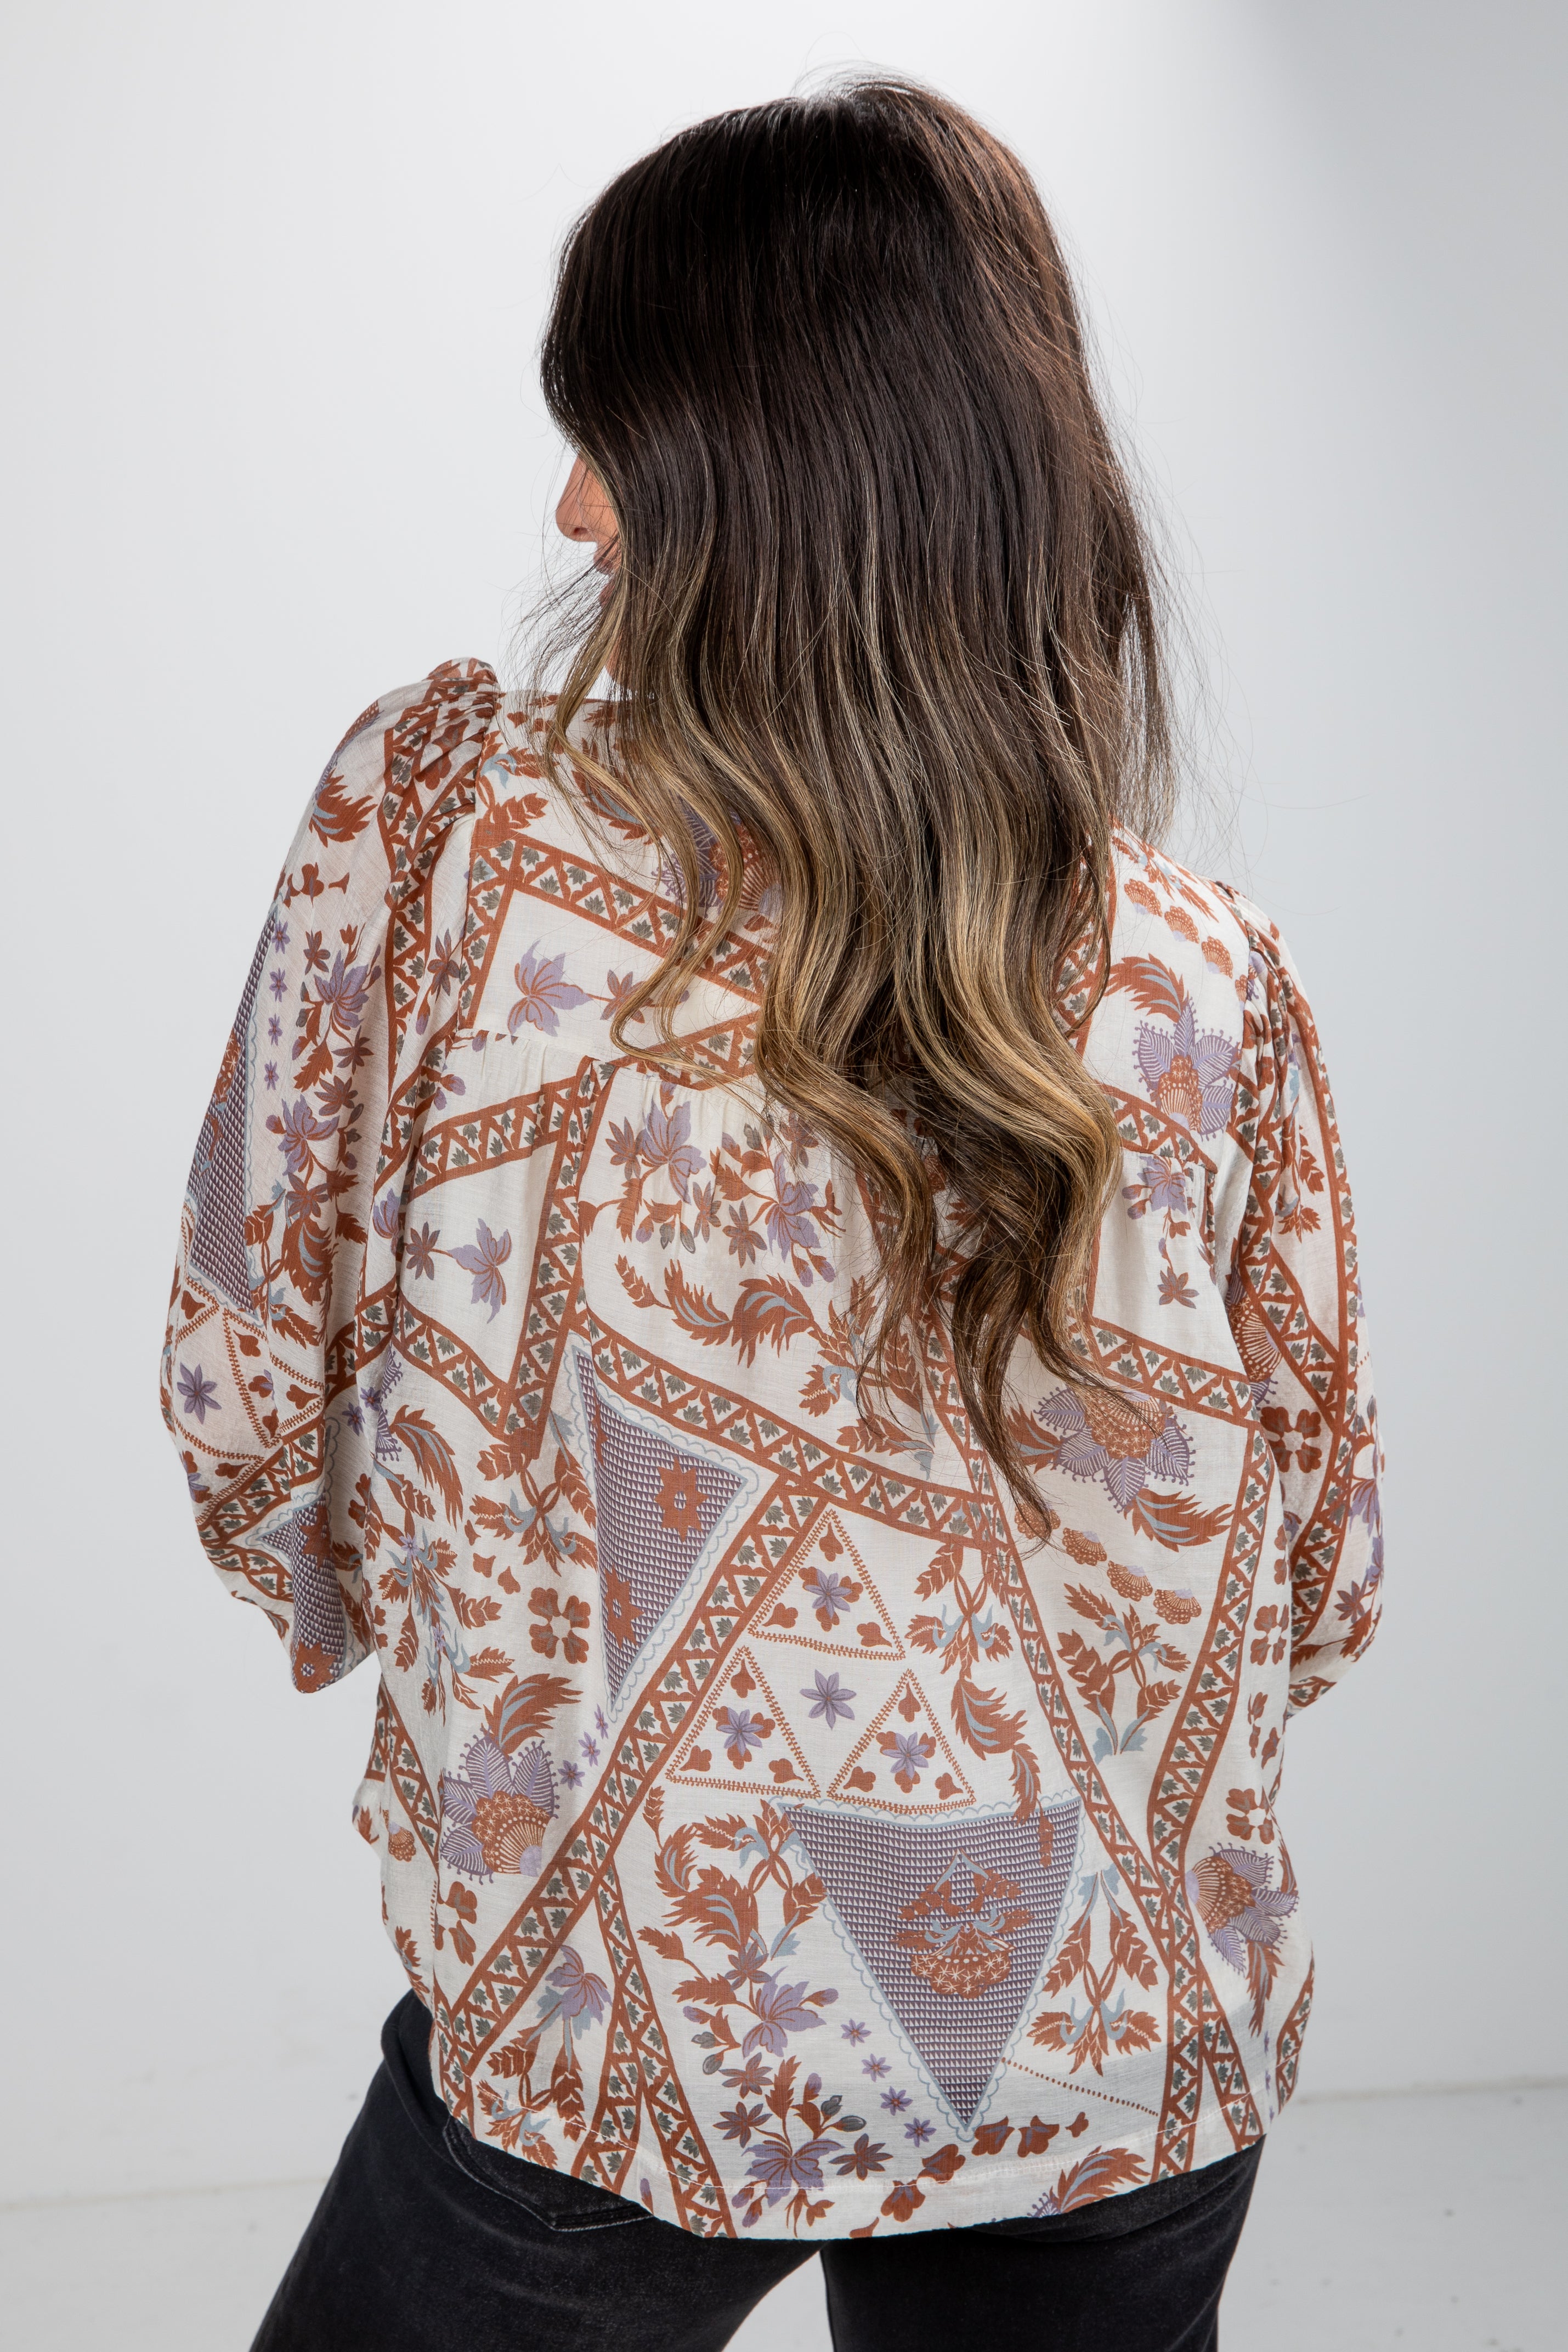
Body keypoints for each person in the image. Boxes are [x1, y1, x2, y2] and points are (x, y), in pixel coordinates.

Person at [161, 76, 1382, 2352]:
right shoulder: (1209, 974)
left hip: (628, 2004)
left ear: (751, 468)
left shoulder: (445, 829)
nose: (569, 502)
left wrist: (468, 1661)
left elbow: (247, 1376)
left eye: (608, 430)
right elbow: (1320, 1571)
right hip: (1114, 2045)